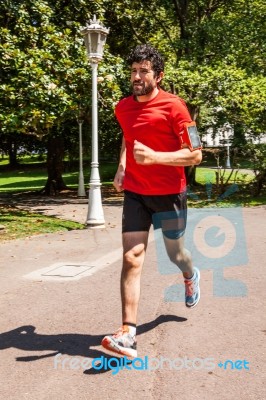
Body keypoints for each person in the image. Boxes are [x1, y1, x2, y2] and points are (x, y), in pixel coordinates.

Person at [101, 44, 202, 359]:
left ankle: (190, 275)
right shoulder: (122, 108)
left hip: (170, 194)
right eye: (133, 70)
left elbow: (196, 153)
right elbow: (127, 138)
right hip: (136, 192)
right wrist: (122, 165)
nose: (136, 76)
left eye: (144, 71)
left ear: (158, 76)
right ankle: (128, 333)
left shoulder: (176, 108)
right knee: (132, 257)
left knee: (177, 255)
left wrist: (156, 157)